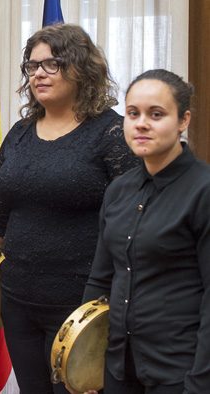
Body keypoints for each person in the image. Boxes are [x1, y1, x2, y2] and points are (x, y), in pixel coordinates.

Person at [0, 24, 140, 394]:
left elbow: (133, 228)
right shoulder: (20, 134)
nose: (39, 73)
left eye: (52, 64)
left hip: (82, 308)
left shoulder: (112, 134)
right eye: (32, 66)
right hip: (18, 301)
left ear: (81, 69)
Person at [84, 69, 209, 393]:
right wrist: (83, 358)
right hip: (118, 368)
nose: (141, 123)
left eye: (156, 114)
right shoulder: (118, 190)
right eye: (132, 113)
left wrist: (200, 382)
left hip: (179, 372)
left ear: (183, 121)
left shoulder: (203, 190)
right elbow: (100, 278)